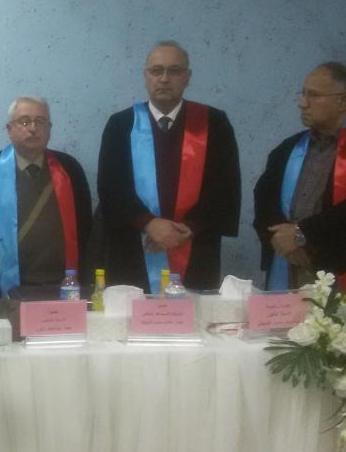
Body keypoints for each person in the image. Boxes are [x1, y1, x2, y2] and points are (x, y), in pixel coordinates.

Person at [254, 62, 346, 326]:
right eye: (302, 94)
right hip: (293, 268)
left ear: (342, 101)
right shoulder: (287, 149)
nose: (302, 103)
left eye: (313, 95)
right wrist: (283, 240)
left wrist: (303, 233)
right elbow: (264, 200)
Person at [97, 41, 241, 293]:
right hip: (135, 246)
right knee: (132, 313)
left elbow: (225, 186)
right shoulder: (121, 124)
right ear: (145, 76)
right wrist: (148, 223)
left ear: (187, 77)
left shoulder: (213, 123)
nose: (164, 79)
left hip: (195, 245)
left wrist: (189, 227)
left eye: (174, 71)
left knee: (193, 312)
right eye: (156, 71)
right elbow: (111, 186)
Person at [0, 96, 93, 300]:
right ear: (9, 129)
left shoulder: (70, 169)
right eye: (24, 121)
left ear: (49, 129)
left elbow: (86, 229)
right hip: (4, 290)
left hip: (63, 287)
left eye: (40, 121)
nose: (33, 128)